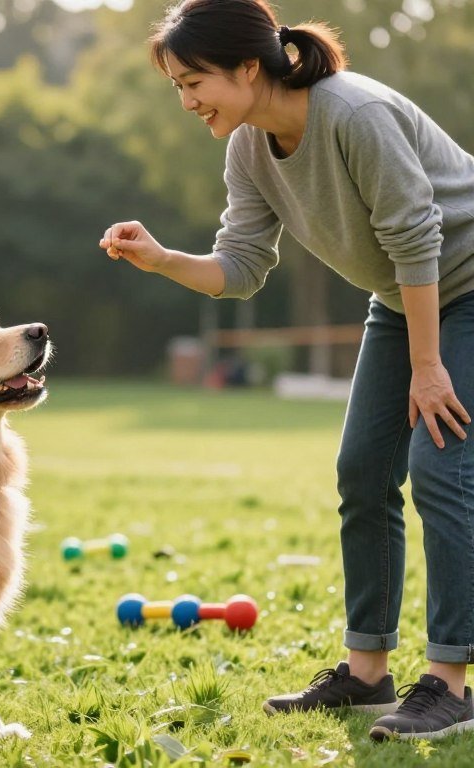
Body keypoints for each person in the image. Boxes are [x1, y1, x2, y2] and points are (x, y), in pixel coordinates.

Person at [99, 0, 474, 742]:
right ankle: (366, 675)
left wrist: (428, 367)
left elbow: (417, 236)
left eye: (193, 81)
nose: (186, 101)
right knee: (362, 473)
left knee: (441, 468)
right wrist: (163, 257)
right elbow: (240, 269)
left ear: (248, 67)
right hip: (404, 296)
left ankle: (451, 683)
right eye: (175, 86)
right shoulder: (247, 146)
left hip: (459, 285)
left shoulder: (353, 114)